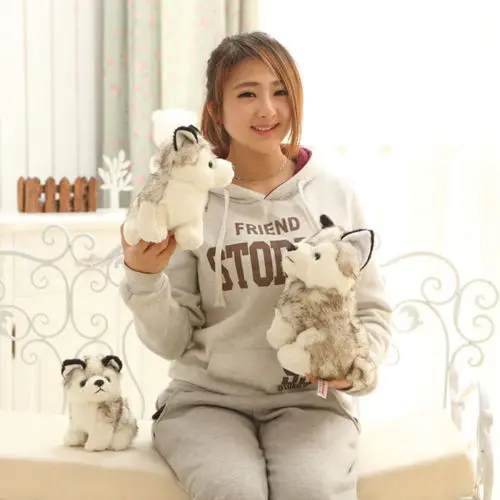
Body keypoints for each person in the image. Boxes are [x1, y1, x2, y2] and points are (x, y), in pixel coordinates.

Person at [119, 31, 392, 500]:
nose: (267, 109)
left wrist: (358, 366)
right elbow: (172, 340)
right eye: (247, 94)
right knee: (233, 491)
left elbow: (370, 309)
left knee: (312, 490)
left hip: (311, 403)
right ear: (216, 109)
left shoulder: (333, 192)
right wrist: (144, 279)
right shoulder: (190, 200)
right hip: (206, 403)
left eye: (279, 91)